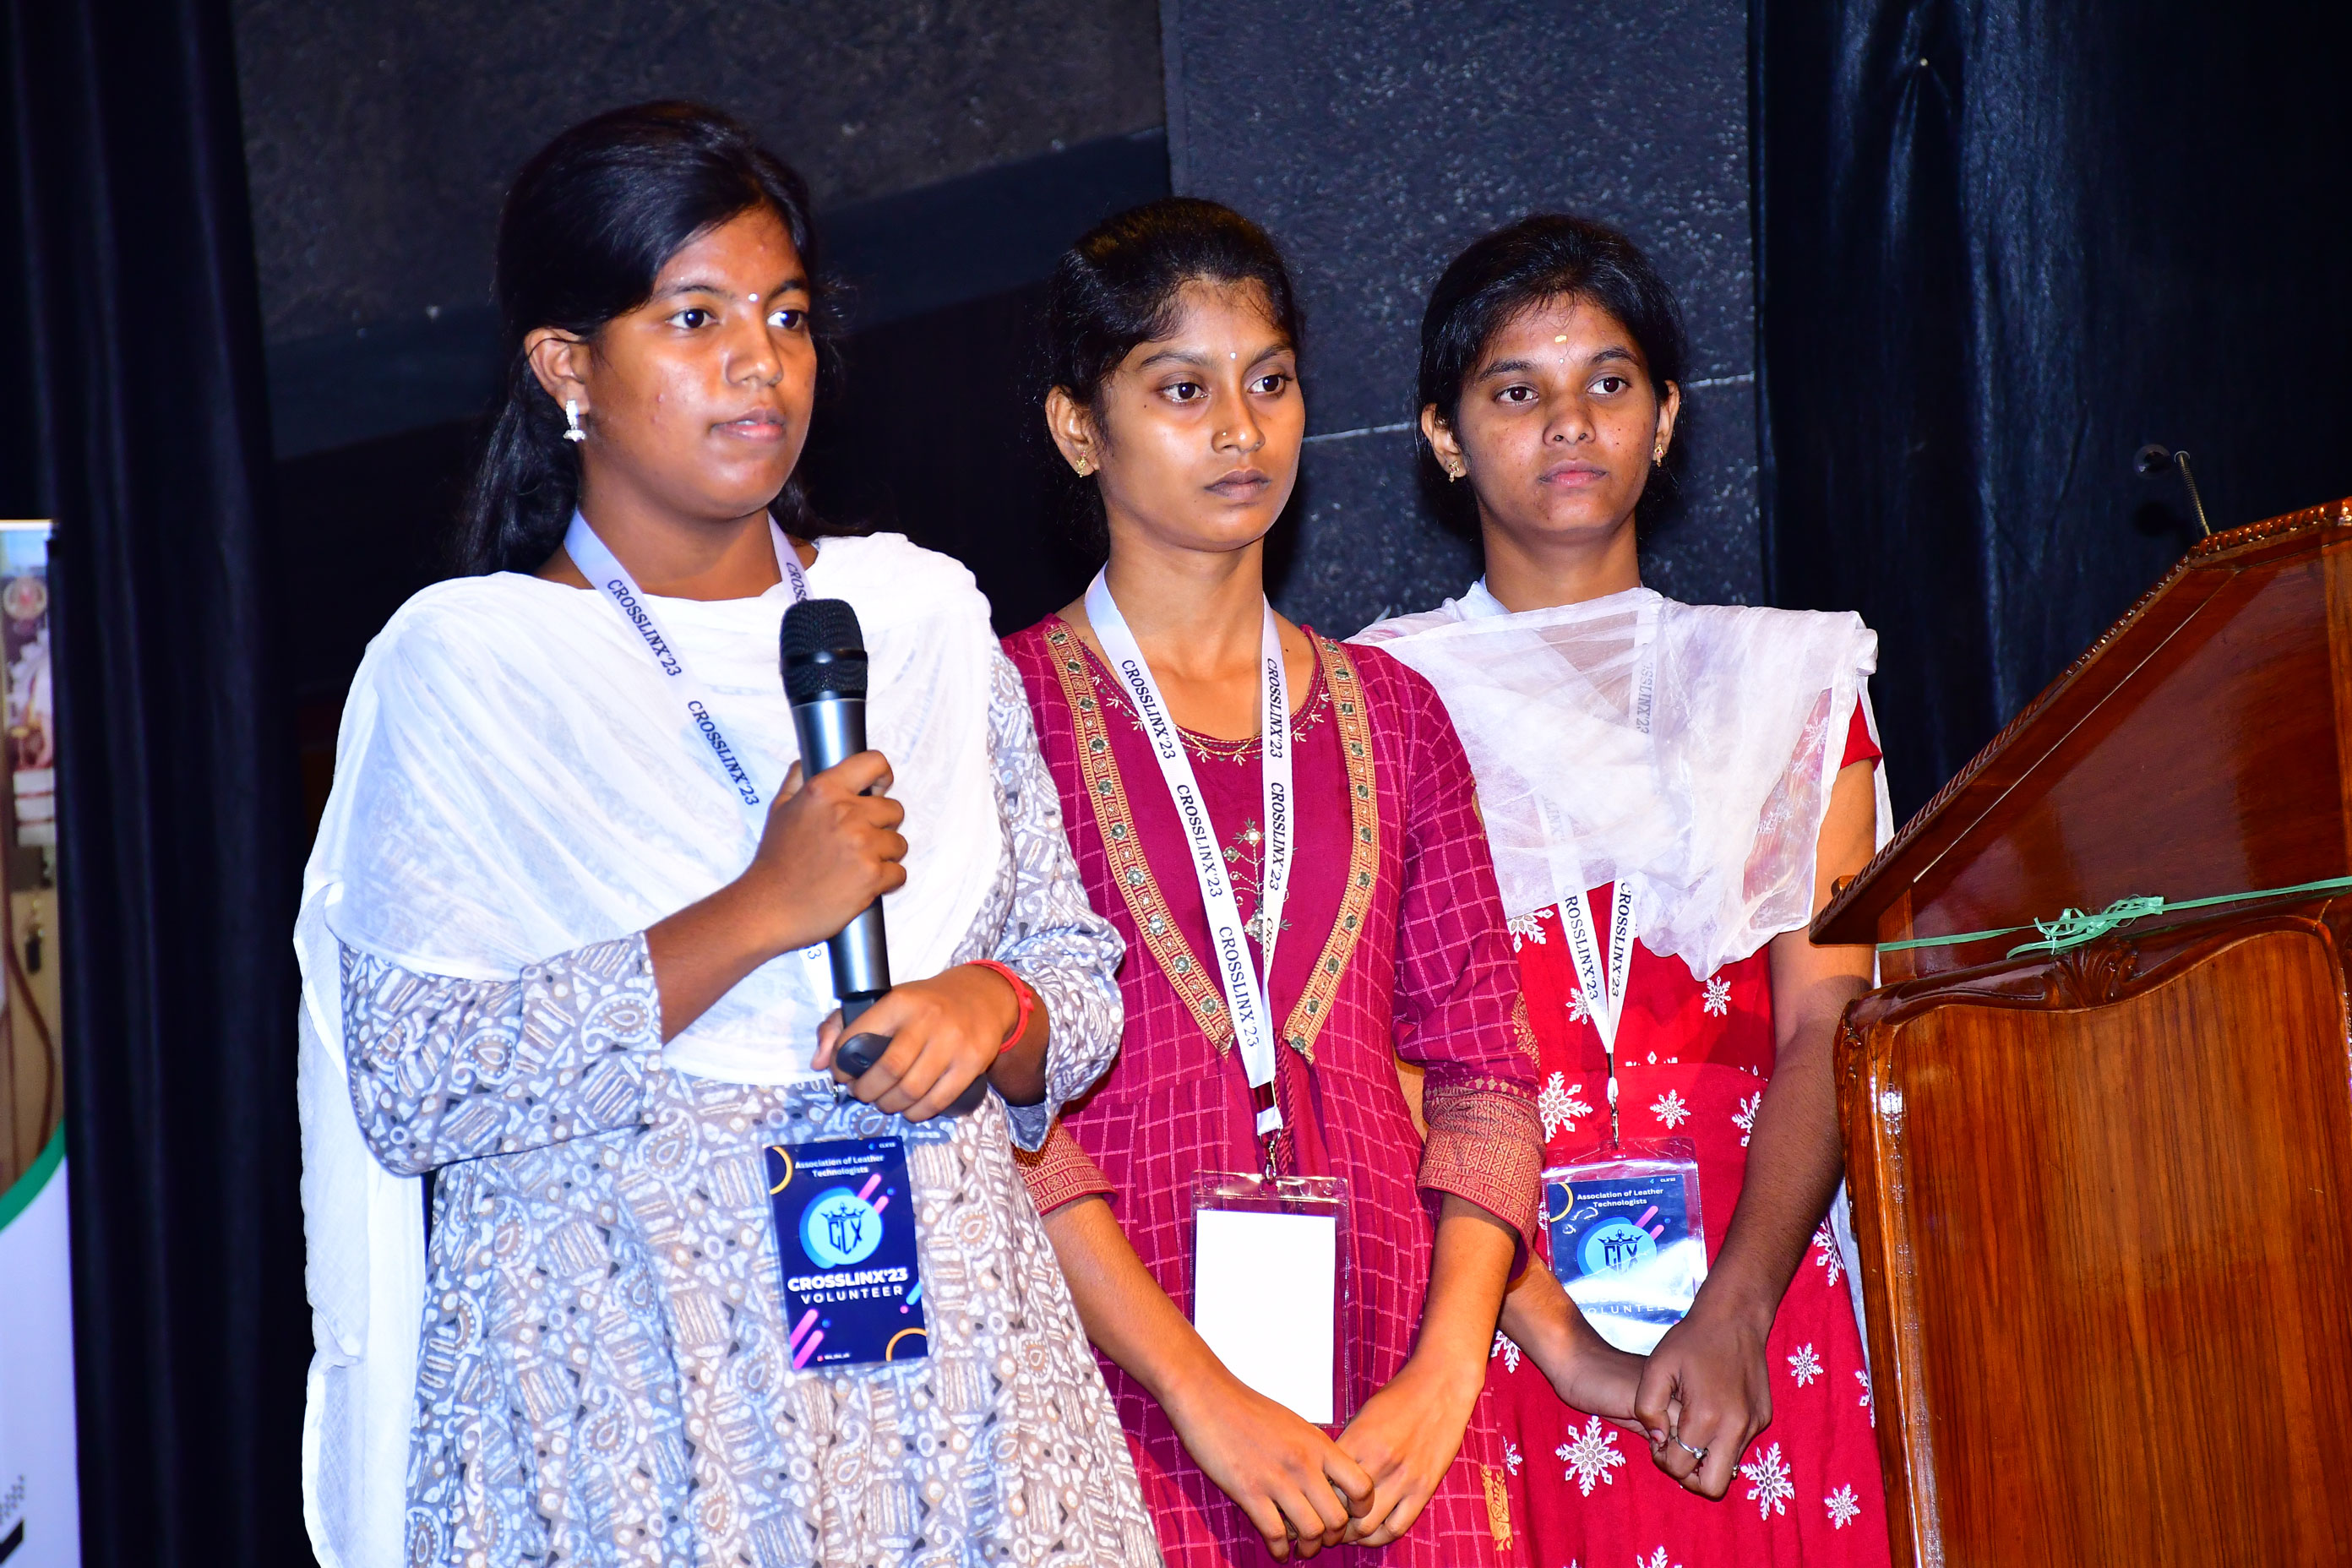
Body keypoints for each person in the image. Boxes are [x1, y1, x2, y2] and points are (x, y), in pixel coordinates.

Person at [293, 102, 1160, 1568]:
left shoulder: (918, 619)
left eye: (788, 314)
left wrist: (990, 1008)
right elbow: (420, 1082)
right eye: (695, 317)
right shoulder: (469, 665)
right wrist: (762, 908)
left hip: (956, 1396)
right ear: (567, 366)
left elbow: (1074, 974)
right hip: (637, 1404)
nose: (762, 361)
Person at [1002, 198, 1610, 1567]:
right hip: (1123, 1402)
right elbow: (1000, 1110)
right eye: (1183, 390)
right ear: (1079, 428)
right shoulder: (999, 710)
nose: (1241, 429)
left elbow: (1485, 1075)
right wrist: (1199, 1392)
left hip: (1396, 1419)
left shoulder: (1394, 712)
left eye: (1269, 383)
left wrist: (1447, 1373)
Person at [1356, 215, 1895, 1567]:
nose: (1569, 422)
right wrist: (1554, 1333)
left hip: (1759, 1290)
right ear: (1442, 437)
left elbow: (1826, 1021)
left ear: (1665, 417)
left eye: (1608, 381)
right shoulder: (1371, 706)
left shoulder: (1788, 685)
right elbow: (1377, 1067)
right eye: (1514, 391)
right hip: (1489, 1295)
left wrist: (1738, 1304)